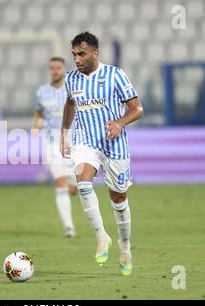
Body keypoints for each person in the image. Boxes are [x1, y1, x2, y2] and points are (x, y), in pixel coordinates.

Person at [60, 32, 144, 276]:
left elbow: (137, 108)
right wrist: (64, 133)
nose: (76, 59)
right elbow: (70, 104)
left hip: (114, 144)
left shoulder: (115, 75)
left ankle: (125, 245)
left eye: (81, 54)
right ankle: (101, 236)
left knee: (118, 200)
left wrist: (119, 122)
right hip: (86, 141)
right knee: (83, 182)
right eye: (74, 54)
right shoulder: (71, 80)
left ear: (95, 53)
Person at [33, 57, 77, 238]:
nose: (55, 71)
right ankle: (69, 226)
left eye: (58, 67)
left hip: (75, 141)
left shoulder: (72, 88)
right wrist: (36, 125)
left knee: (75, 187)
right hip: (51, 142)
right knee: (60, 182)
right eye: (52, 68)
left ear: (63, 69)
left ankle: (73, 184)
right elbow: (39, 112)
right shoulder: (42, 92)